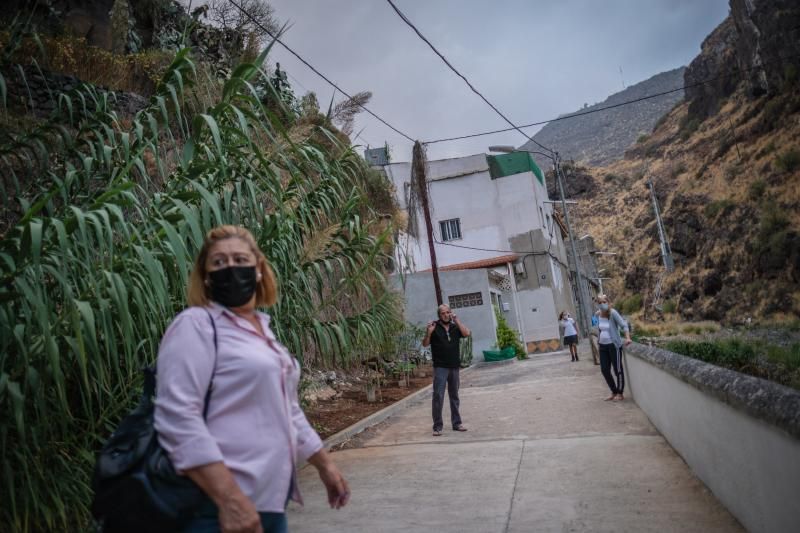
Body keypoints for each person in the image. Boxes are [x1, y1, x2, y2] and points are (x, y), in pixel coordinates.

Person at [154, 225, 350, 533]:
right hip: (217, 507)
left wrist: (325, 465)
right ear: (205, 276)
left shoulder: (263, 332)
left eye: (240, 259)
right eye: (218, 262)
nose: (230, 268)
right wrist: (230, 500)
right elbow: (177, 416)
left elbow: (287, 409)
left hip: (269, 502)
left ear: (258, 269)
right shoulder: (196, 326)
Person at [422, 304, 471, 437]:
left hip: (454, 366)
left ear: (451, 313)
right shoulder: (434, 327)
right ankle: (437, 426)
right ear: (439, 315)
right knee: (438, 395)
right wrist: (429, 332)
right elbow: (425, 344)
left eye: (448, 312)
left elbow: (466, 333)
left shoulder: (455, 327)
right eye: (443, 313)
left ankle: (457, 423)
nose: (446, 315)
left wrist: (457, 320)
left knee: (454, 395)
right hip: (440, 367)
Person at [593, 293, 632, 402]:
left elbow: (624, 325)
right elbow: (599, 329)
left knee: (617, 369)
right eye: (599, 302)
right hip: (602, 346)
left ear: (608, 303)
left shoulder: (613, 313)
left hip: (614, 345)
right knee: (604, 370)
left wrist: (627, 338)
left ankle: (620, 393)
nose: (602, 304)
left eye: (604, 302)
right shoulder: (598, 314)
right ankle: (613, 391)